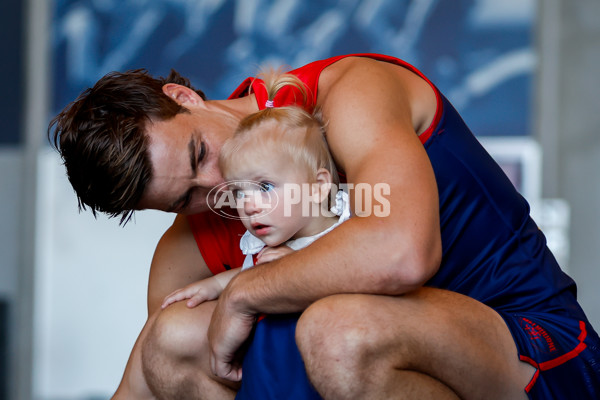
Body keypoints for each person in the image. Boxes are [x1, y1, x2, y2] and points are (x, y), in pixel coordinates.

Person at [48, 53, 600, 400]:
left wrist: (243, 291)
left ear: (184, 98)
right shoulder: (191, 240)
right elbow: (146, 381)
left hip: (533, 353)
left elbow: (401, 252)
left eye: (198, 153)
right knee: (172, 339)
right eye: (184, 199)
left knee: (339, 332)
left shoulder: (348, 94)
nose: (215, 189)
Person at [160, 71, 349, 400]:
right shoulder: (263, 245)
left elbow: (365, 271)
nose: (247, 204)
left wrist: (301, 267)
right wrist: (208, 287)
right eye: (238, 192)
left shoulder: (346, 226)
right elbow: (246, 274)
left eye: (264, 187)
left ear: (319, 186)